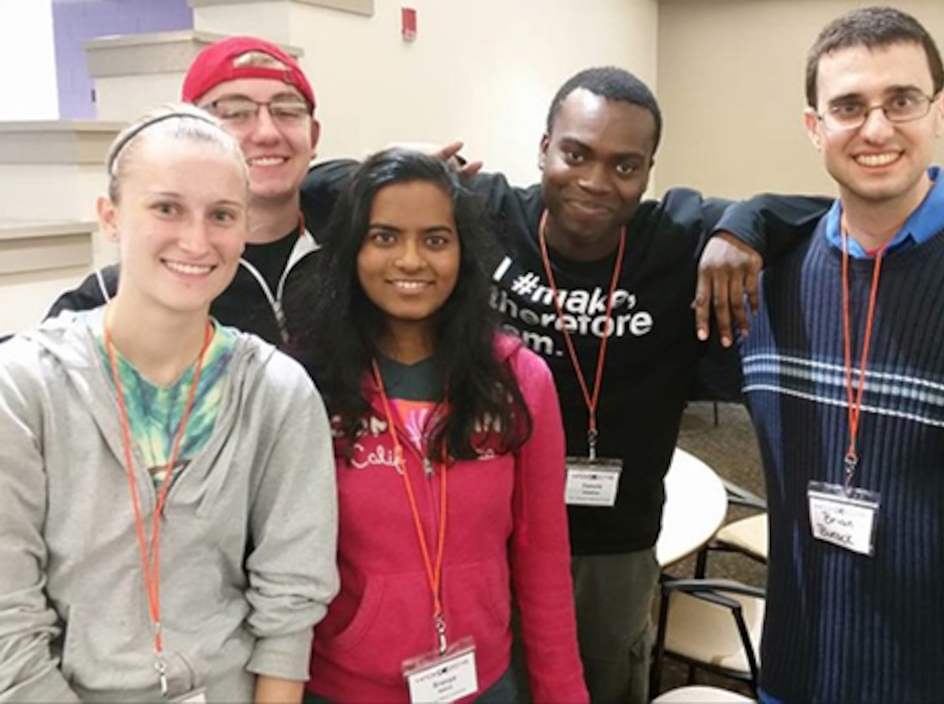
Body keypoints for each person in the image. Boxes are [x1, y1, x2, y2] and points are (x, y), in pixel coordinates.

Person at [304, 66, 769, 703]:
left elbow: (818, 214)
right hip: (486, 529)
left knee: (596, 676)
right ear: (543, 147)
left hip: (613, 539)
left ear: (649, 170)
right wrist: (412, 165)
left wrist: (745, 224)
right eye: (575, 153)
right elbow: (317, 187)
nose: (594, 181)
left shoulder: (676, 238)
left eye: (624, 165)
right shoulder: (490, 211)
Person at [726, 6, 944, 702]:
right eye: (849, 106)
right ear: (814, 127)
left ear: (941, 110)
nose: (876, 128)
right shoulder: (769, 281)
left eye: (902, 101)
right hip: (797, 675)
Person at [0, 105, 339, 702]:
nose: (196, 240)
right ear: (110, 216)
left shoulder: (276, 393)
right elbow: (9, 620)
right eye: (166, 208)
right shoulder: (24, 388)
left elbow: (290, 604)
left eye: (222, 215)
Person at [291, 149, 588, 703]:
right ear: (352, 249)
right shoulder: (305, 384)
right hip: (341, 690)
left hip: (484, 683)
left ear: (463, 253)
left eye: (434, 239)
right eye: (383, 237)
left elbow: (544, 559)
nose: (410, 260)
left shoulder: (519, 379)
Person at [48, 35, 326, 344]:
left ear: (313, 137)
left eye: (287, 111)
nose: (266, 133)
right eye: (234, 112)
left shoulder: (355, 243)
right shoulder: (118, 294)